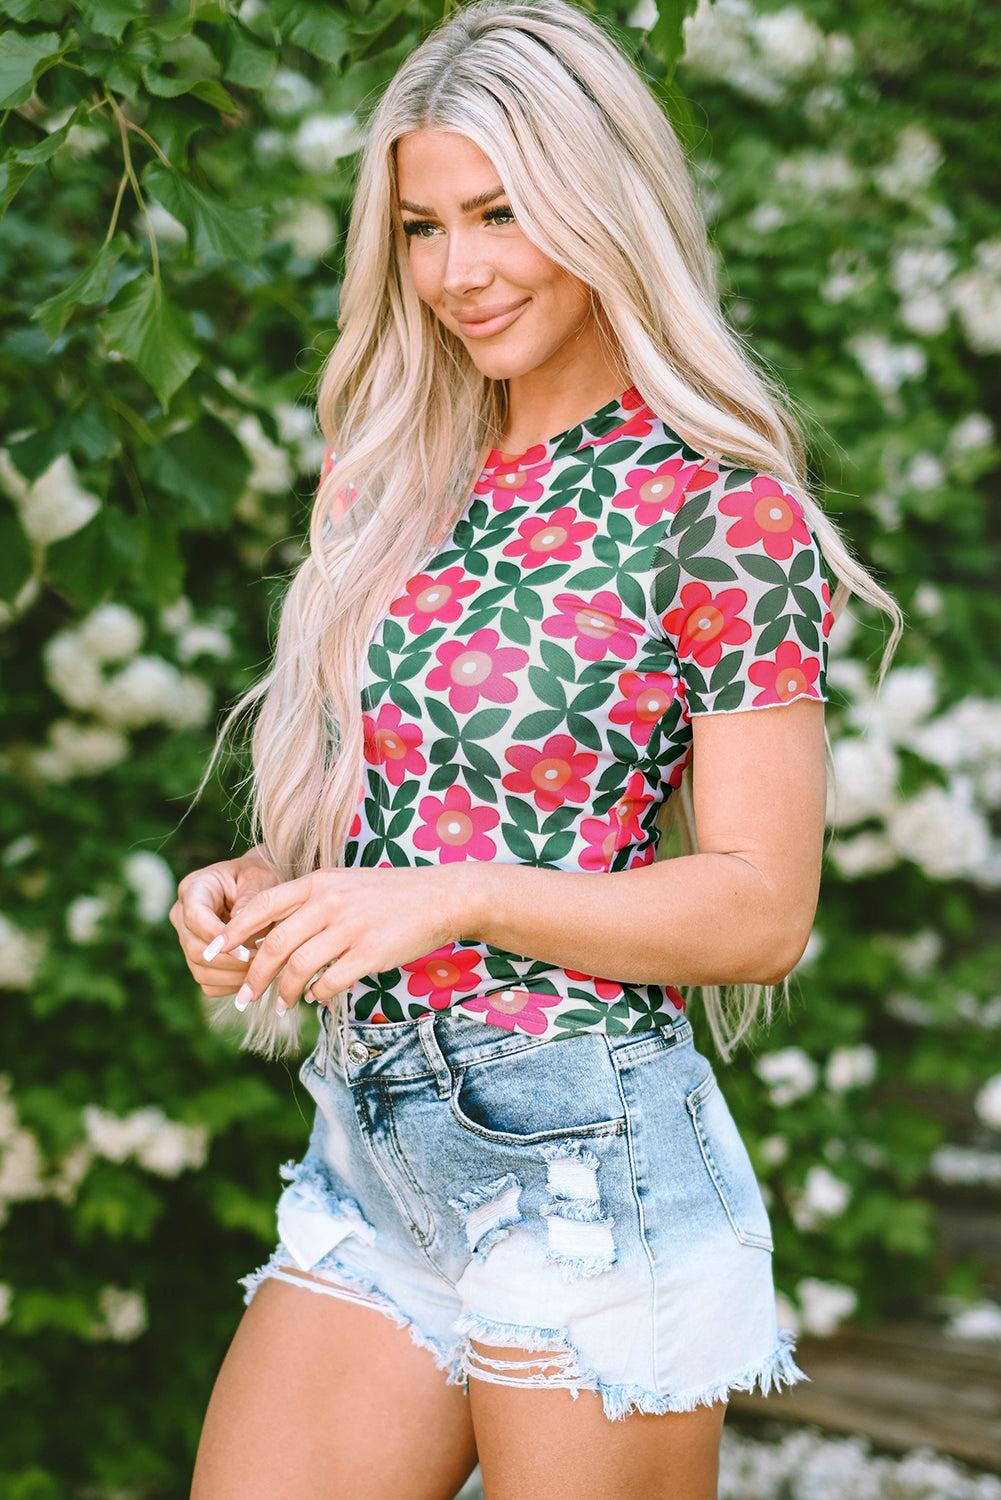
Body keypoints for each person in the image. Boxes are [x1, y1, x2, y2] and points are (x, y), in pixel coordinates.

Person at [170, 3, 896, 1496]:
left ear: (600, 204)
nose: (458, 271)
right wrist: (261, 886)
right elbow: (394, 829)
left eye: (501, 214)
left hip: (588, 1167)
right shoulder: (386, 478)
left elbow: (759, 912)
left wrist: (458, 897)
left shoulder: (712, 507)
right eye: (424, 226)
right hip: (370, 1150)